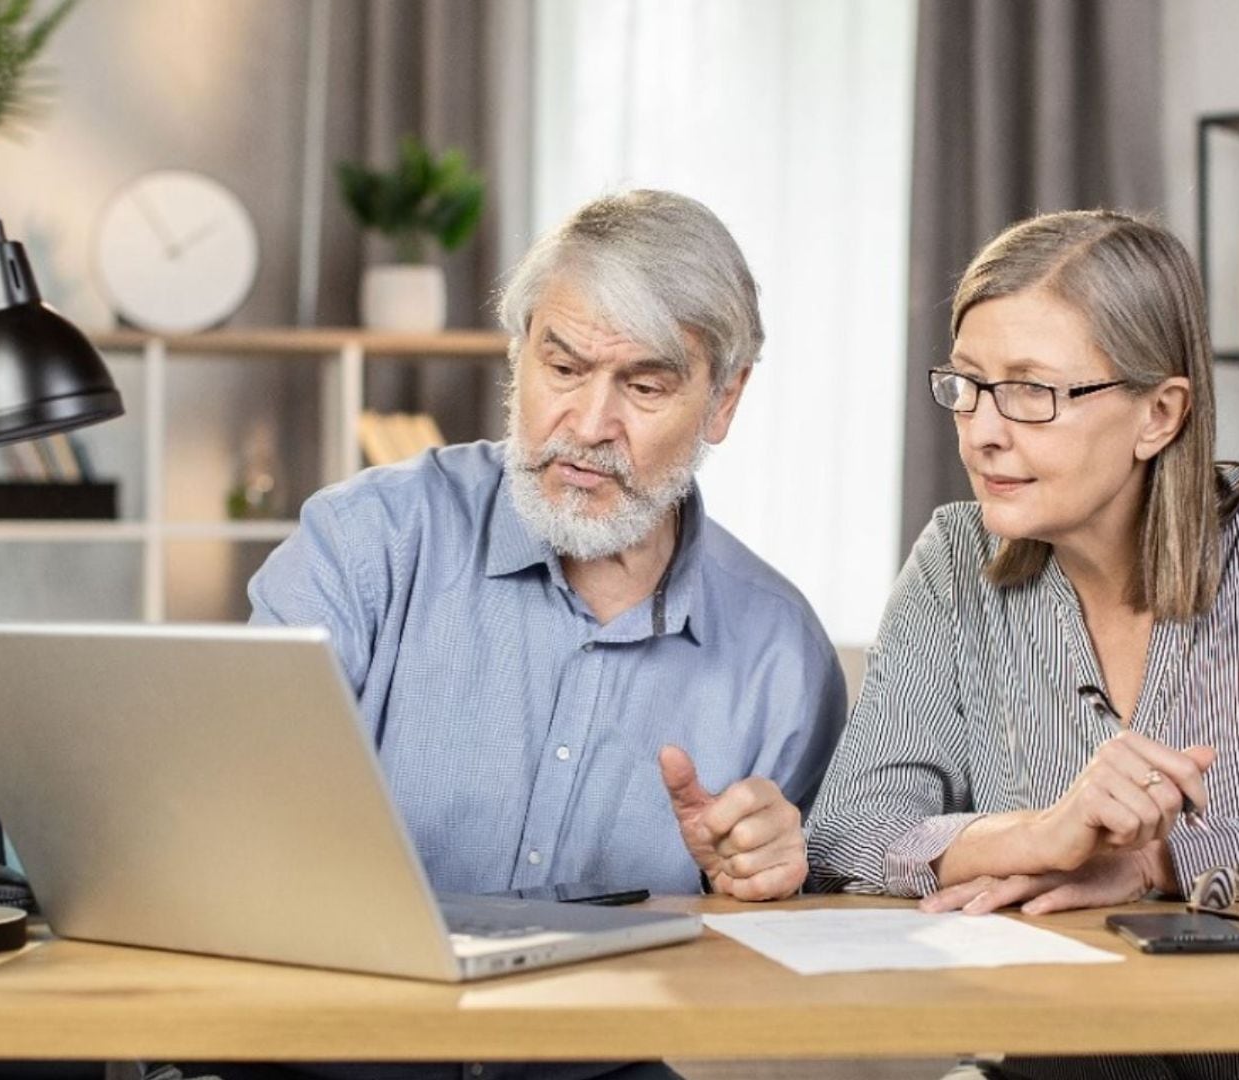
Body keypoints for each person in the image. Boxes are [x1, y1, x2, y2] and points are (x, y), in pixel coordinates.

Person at [798, 209, 1239, 1080]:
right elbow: (844, 837)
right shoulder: (954, 562)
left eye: (1033, 391)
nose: (983, 428)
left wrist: (1166, 858)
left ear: (1159, 414)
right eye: (969, 383)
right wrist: (1037, 835)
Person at [234, 189, 846, 1080]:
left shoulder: (780, 657)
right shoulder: (364, 544)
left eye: (643, 385)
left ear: (724, 399)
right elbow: (227, 825)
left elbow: (801, 950)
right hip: (327, 1057)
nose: (589, 427)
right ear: (520, 355)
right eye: (561, 368)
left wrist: (764, 883)